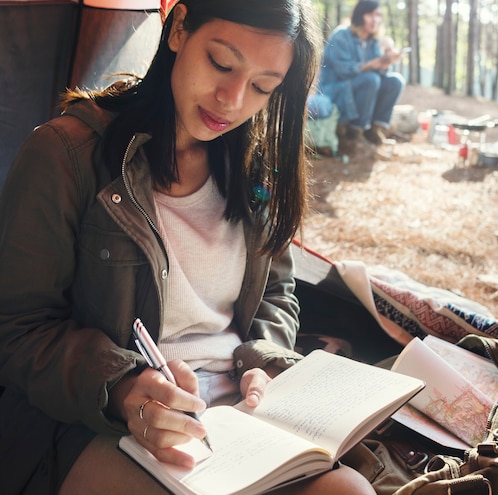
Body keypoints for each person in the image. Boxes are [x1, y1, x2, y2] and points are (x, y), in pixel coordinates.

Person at [0, 1, 376, 494]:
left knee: (349, 491)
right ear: (178, 28)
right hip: (95, 417)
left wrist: (263, 361)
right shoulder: (66, 154)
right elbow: (17, 328)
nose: (232, 99)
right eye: (221, 63)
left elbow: (276, 293)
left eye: (263, 87)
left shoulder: (255, 166)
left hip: (240, 418)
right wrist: (122, 388)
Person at [318, 0, 405, 147]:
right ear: (359, 16)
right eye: (370, 15)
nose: (375, 20)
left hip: (362, 88)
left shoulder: (374, 42)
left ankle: (373, 130)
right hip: (337, 90)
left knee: (395, 81)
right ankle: (355, 131)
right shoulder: (341, 36)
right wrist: (374, 63)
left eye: (378, 15)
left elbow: (380, 75)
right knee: (371, 80)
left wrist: (386, 59)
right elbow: (344, 71)